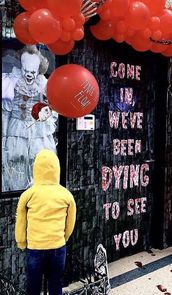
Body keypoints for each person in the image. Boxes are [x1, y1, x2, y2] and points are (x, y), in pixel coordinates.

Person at [15, 149, 76, 295]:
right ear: (57, 169)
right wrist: (65, 237)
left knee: (33, 287)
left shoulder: (27, 195)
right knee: (55, 286)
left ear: (36, 169)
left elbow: (21, 220)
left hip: (35, 247)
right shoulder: (66, 195)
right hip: (58, 247)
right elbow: (71, 221)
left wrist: (21, 241)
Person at [2, 45, 57, 191]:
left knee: (37, 161)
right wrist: (4, 136)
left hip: (37, 130)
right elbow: (6, 111)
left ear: (39, 70)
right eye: (26, 70)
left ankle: (38, 193)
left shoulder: (44, 84)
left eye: (32, 71)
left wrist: (47, 114)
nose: (29, 75)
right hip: (16, 129)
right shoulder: (13, 82)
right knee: (16, 160)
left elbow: (53, 107)